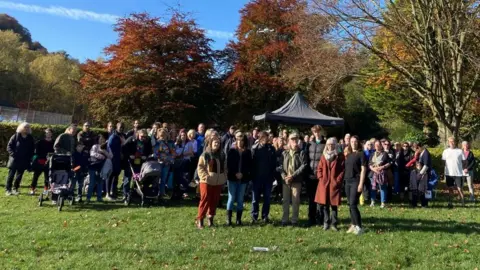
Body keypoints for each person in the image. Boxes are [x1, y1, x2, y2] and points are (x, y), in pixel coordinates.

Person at [196, 136, 227, 229]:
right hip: (206, 182)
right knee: (205, 200)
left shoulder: (222, 155)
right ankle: (200, 220)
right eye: (215, 142)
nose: (216, 144)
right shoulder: (205, 154)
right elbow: (200, 167)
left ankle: (211, 219)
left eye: (218, 143)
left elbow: (225, 167)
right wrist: (206, 177)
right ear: (210, 143)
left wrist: (224, 176)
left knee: (214, 200)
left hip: (218, 182)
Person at [315, 137, 345, 231]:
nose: (330, 146)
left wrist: (338, 180)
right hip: (324, 184)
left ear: (335, 145)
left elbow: (342, 170)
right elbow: (319, 168)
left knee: (334, 205)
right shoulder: (324, 156)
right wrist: (320, 177)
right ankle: (326, 222)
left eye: (332, 144)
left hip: (334, 184)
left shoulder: (339, 155)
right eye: (328, 144)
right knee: (325, 205)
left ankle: (334, 224)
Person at [278, 133, 307, 226]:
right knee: (285, 200)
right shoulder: (284, 153)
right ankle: (285, 219)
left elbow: (304, 165)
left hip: (296, 180)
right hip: (285, 180)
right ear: (289, 141)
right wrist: (284, 176)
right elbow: (280, 166)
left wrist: (293, 176)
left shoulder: (301, 152)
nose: (294, 141)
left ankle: (294, 220)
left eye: (296, 139)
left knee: (295, 201)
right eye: (292, 139)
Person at [226, 131, 252, 226]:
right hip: (232, 178)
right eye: (238, 140)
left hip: (243, 179)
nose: (240, 142)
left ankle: (238, 219)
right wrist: (235, 173)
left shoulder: (248, 152)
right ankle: (228, 219)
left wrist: (243, 174)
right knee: (231, 198)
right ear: (235, 141)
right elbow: (229, 164)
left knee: (240, 199)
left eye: (242, 140)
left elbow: (249, 165)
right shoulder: (232, 151)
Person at [251, 131, 277, 223]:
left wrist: (273, 175)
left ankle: (265, 216)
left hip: (268, 178)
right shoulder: (255, 149)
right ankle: (254, 216)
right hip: (257, 177)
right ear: (260, 138)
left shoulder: (271, 149)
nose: (266, 139)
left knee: (267, 198)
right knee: (255, 199)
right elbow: (251, 163)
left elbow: (274, 163)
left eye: (267, 137)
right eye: (264, 137)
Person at [344, 136, 367, 235]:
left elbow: (363, 170)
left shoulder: (361, 154)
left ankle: (359, 227)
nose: (353, 143)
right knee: (350, 204)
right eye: (352, 141)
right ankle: (353, 225)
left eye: (355, 141)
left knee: (353, 204)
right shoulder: (348, 154)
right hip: (347, 181)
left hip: (356, 181)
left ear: (358, 143)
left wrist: (361, 184)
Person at [5, 122, 35, 196]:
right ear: (21, 128)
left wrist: (30, 157)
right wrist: (13, 155)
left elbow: (32, 149)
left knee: (19, 175)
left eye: (28, 127)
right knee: (11, 175)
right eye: (25, 127)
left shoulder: (30, 138)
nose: (27, 129)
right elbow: (9, 147)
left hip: (24, 160)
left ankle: (15, 188)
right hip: (14, 159)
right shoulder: (15, 136)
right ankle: (8, 189)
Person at [122, 129, 152, 201]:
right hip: (130, 161)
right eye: (142, 136)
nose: (143, 138)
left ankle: (135, 193)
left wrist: (145, 155)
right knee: (127, 179)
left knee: (138, 178)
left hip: (140, 162)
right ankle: (125, 194)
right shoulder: (131, 139)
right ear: (138, 134)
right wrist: (129, 155)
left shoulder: (147, 141)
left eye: (145, 137)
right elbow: (123, 147)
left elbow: (149, 150)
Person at [306, 125, 325, 226]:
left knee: (320, 199)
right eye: (314, 132)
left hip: (320, 175)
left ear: (321, 131)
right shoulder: (309, 144)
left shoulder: (325, 144)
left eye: (318, 131)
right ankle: (311, 218)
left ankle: (320, 218)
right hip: (310, 175)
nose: (316, 133)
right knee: (311, 198)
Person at [87, 133, 113, 203]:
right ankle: (88, 198)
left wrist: (104, 152)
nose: (102, 141)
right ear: (98, 140)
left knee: (100, 182)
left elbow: (111, 156)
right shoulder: (95, 146)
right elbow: (92, 153)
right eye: (100, 139)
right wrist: (101, 156)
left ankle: (99, 197)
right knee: (92, 183)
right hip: (93, 166)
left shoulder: (107, 147)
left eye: (103, 139)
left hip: (102, 167)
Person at [30, 128, 54, 195]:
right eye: (46, 132)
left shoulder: (54, 142)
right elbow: (36, 152)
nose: (48, 134)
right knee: (35, 176)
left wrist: (49, 158)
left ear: (51, 134)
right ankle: (32, 189)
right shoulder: (40, 142)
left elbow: (54, 152)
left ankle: (46, 189)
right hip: (40, 161)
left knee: (47, 177)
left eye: (49, 132)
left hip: (49, 162)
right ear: (45, 134)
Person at [442, 137, 466, 207]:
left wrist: (464, 169)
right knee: (450, 189)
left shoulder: (460, 151)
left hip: (458, 173)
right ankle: (450, 203)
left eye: (453, 141)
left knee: (459, 189)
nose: (452, 143)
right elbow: (443, 162)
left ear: (455, 142)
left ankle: (463, 204)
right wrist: (445, 170)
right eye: (450, 142)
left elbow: (464, 161)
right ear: (448, 143)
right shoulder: (445, 151)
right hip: (449, 173)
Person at [106, 122, 126, 200]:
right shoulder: (114, 136)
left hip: (119, 159)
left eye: (123, 127)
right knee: (110, 176)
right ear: (117, 127)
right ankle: (108, 193)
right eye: (120, 127)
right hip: (113, 158)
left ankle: (113, 192)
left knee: (116, 176)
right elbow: (109, 146)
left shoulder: (122, 135)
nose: (121, 129)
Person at [153, 129, 175, 197]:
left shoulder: (169, 143)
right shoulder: (157, 143)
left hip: (167, 164)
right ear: (159, 135)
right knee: (156, 179)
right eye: (161, 135)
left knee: (163, 179)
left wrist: (170, 158)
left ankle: (162, 193)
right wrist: (161, 158)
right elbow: (156, 154)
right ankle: (155, 192)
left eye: (164, 135)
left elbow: (172, 153)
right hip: (158, 164)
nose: (163, 137)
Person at [173, 129, 195, 199]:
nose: (183, 136)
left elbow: (191, 153)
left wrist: (182, 154)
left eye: (184, 135)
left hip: (186, 162)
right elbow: (173, 152)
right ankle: (179, 191)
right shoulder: (176, 144)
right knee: (178, 176)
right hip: (178, 162)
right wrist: (177, 155)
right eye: (182, 135)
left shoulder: (189, 143)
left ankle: (185, 191)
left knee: (185, 176)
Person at [369, 140, 389, 208]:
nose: (377, 146)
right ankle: (372, 201)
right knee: (373, 188)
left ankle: (383, 202)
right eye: (376, 145)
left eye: (378, 145)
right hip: (373, 173)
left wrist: (382, 167)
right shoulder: (372, 154)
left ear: (381, 146)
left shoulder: (385, 154)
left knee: (382, 188)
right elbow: (369, 164)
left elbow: (389, 163)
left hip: (381, 173)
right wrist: (373, 169)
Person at [360, 140, 374, 205]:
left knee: (371, 184)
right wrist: (366, 150)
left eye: (371, 144)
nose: (370, 146)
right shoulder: (363, 152)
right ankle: (365, 197)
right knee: (364, 183)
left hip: (371, 170)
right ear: (365, 145)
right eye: (368, 144)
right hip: (364, 169)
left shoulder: (374, 152)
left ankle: (370, 197)